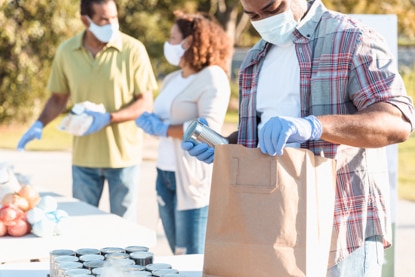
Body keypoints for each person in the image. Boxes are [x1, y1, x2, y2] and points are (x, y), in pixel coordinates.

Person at [182, 0, 415, 276]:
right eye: (252, 15)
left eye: (270, 9)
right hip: (275, 229)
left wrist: (315, 126)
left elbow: (398, 122)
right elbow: (261, 138)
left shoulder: (351, 38)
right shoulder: (255, 58)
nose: (263, 20)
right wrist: (224, 146)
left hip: (341, 232)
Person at [16, 0, 158, 221]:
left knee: (124, 232)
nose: (112, 24)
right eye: (104, 19)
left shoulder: (133, 50)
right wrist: (38, 124)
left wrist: (109, 118)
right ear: (86, 20)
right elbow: (58, 98)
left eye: (114, 17)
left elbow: (145, 103)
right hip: (84, 159)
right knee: (83, 228)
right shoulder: (66, 51)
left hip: (123, 159)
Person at [135, 11, 233, 255]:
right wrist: (152, 123)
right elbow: (167, 120)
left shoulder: (212, 77)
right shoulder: (171, 79)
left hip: (191, 177)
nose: (169, 43)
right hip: (164, 173)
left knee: (189, 256)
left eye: (173, 37)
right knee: (174, 251)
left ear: (190, 41)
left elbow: (207, 129)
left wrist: (164, 128)